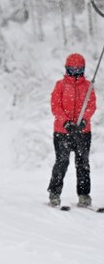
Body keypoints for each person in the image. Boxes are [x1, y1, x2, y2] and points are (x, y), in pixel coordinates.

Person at [48, 53, 96, 208]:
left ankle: (84, 195)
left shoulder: (88, 86)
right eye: (72, 69)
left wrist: (84, 120)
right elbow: (56, 106)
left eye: (78, 69)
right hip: (62, 132)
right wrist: (66, 122)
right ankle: (54, 194)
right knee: (62, 162)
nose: (75, 72)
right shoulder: (60, 85)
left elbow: (91, 105)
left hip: (83, 132)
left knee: (83, 163)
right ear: (67, 69)